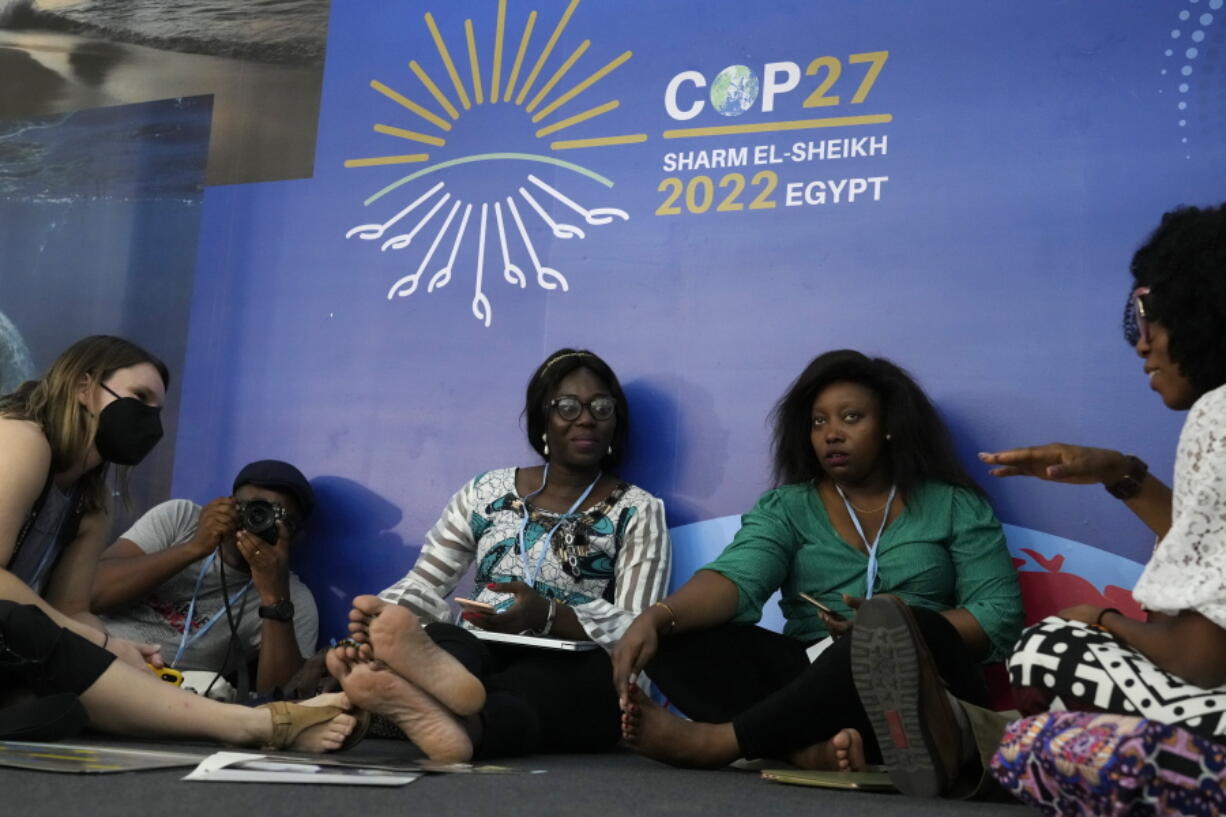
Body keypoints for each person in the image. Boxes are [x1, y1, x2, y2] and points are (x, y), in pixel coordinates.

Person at [612, 349, 1022, 790]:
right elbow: (734, 579)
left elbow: (997, 613)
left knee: (889, 632)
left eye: (851, 418)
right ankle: (807, 749)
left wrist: (895, 629)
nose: (832, 435)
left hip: (926, 690)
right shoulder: (789, 507)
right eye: (818, 422)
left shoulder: (954, 505)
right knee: (676, 636)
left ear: (888, 427)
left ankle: (724, 743)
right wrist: (657, 616)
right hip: (810, 683)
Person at [976, 205, 1226, 813]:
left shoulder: (1216, 415)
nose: (1142, 342)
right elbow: (1211, 547)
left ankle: (981, 743)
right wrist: (1119, 472)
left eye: (1147, 316)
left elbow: (1203, 658)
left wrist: (1104, 621)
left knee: (1048, 651)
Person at [0, 335, 355, 750]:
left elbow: (73, 610)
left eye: (158, 410)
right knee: (28, 635)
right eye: (139, 397)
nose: (151, 421)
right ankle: (252, 725)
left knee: (59, 697)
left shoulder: (92, 502)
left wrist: (124, 655)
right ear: (84, 387)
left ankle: (246, 719)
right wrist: (106, 642)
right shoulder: (23, 439)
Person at [326, 348, 671, 762]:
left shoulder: (637, 509)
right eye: (567, 406)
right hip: (479, 650)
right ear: (542, 416)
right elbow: (425, 581)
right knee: (445, 640)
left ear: (615, 423)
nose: (586, 418)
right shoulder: (486, 492)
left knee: (537, 688)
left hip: (570, 664)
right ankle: (442, 701)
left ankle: (446, 721)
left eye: (601, 407)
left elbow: (637, 629)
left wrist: (546, 614)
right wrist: (376, 622)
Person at [92, 460, 320, 693]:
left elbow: (280, 698)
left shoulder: (294, 599)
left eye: (276, 516)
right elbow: (92, 592)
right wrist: (195, 547)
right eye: (251, 508)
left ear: (295, 535)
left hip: (168, 692)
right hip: (95, 649)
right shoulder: (181, 519)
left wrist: (274, 595)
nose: (258, 521)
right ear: (229, 506)